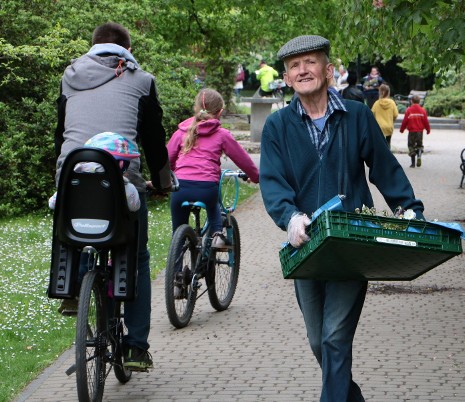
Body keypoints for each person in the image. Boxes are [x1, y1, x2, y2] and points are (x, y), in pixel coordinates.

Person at [260, 34, 425, 402]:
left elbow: (385, 168)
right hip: (306, 247)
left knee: (335, 337)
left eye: (311, 62)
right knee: (319, 340)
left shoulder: (357, 117)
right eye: (294, 66)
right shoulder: (278, 127)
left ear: (329, 70)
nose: (303, 70)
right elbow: (272, 183)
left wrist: (408, 207)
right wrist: (289, 218)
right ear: (286, 79)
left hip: (352, 244)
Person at [54, 22, 173, 371]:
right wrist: (163, 182)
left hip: (72, 179)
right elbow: (153, 140)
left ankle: (74, 288)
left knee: (74, 233)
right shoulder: (142, 80)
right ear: (128, 49)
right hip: (122, 185)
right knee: (137, 258)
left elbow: (61, 134)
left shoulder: (69, 76)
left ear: (92, 47)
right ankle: (136, 347)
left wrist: (60, 181)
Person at [167, 88, 259, 245]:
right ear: (220, 112)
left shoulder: (181, 132)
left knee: (177, 234)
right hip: (206, 187)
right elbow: (242, 159)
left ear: (195, 108)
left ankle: (175, 261)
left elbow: (166, 159)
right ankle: (217, 234)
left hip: (180, 187)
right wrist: (255, 176)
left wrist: (166, 178)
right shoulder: (222, 134)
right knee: (214, 205)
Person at [49, 132, 141, 212]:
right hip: (112, 231)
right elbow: (135, 207)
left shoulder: (73, 184)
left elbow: (52, 204)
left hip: (75, 229)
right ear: (121, 165)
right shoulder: (126, 188)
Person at [399, 94, 431, 168]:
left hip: (412, 131)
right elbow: (426, 121)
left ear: (411, 101)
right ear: (419, 101)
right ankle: (419, 155)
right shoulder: (422, 110)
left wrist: (402, 129)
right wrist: (428, 129)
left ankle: (413, 163)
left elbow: (405, 121)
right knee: (419, 144)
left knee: (411, 145)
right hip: (420, 131)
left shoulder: (409, 110)